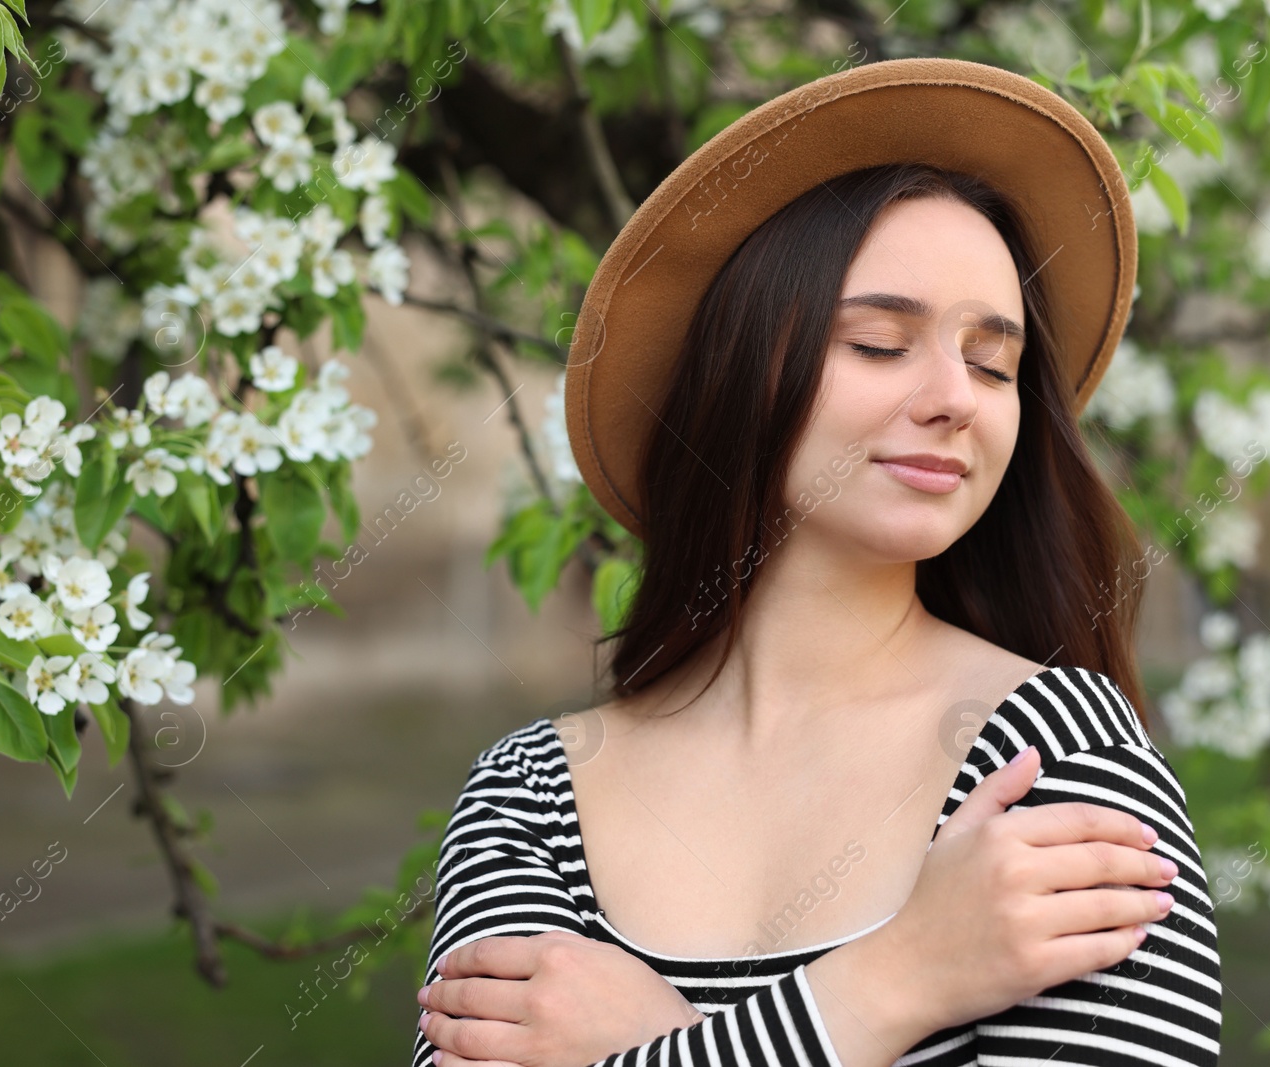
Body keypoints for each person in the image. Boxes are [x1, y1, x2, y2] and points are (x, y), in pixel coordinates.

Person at [411, 57, 1220, 1067]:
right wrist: (891, 980)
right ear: (742, 372)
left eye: (990, 361)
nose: (953, 397)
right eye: (880, 342)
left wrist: (655, 1043)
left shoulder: (1055, 760)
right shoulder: (529, 797)